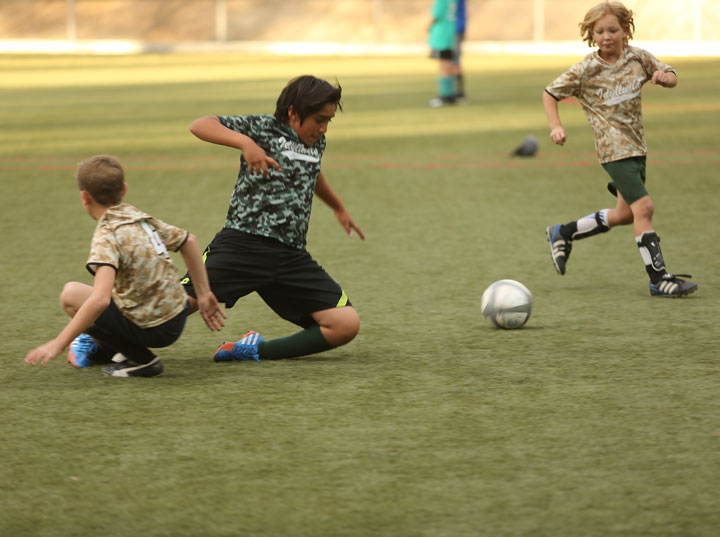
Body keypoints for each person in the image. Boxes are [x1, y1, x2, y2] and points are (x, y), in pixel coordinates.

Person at [182, 75, 365, 362]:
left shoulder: (317, 142)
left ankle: (253, 350)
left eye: (328, 120)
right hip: (242, 246)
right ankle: (100, 338)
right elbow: (200, 125)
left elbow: (311, 173)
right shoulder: (263, 129)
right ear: (293, 112)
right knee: (169, 310)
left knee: (345, 325)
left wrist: (338, 207)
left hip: (290, 256)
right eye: (319, 119)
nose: (324, 127)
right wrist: (246, 143)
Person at [542, 1, 697, 297]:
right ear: (591, 35)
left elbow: (671, 74)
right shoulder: (586, 69)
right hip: (613, 151)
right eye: (599, 31)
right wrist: (555, 126)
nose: (606, 36)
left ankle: (562, 233)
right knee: (645, 208)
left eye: (613, 29)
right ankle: (659, 279)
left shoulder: (638, 58)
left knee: (626, 215)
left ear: (625, 31)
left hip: (637, 147)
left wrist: (666, 79)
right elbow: (550, 93)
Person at [24, 155, 226, 377]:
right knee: (114, 287)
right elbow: (190, 241)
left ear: (84, 197)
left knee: (71, 295)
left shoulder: (107, 235)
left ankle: (142, 360)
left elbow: (100, 300)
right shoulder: (138, 216)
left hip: (155, 329)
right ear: (123, 190)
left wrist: (59, 342)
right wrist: (204, 294)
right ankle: (114, 350)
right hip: (177, 316)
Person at [428, 0, 458, 107]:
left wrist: (428, 26)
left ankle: (445, 96)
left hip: (441, 36)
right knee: (449, 64)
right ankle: (451, 94)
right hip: (450, 34)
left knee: (443, 66)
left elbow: (436, 15)